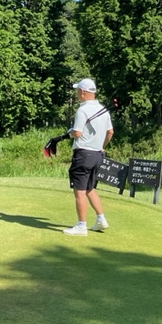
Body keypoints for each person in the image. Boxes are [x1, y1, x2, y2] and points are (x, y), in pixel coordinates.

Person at [63, 78, 114, 236]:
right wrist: (102, 146)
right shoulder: (103, 109)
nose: (77, 93)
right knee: (89, 188)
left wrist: (70, 132)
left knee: (79, 191)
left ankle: (81, 226)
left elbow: (77, 133)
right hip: (98, 155)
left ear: (83, 92)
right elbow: (110, 132)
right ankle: (101, 219)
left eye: (78, 90)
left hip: (83, 154)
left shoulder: (82, 110)